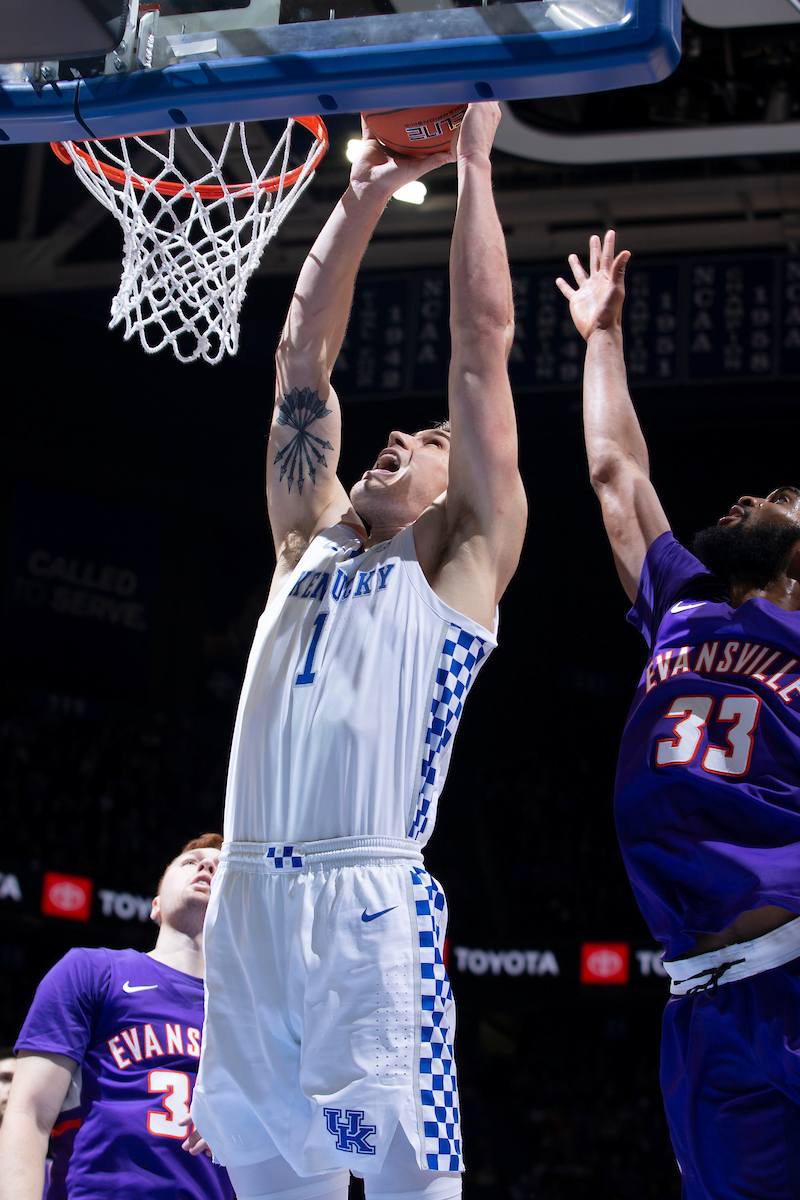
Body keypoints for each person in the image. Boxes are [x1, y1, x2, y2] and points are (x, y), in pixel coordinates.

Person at [189, 101, 527, 1200]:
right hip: (245, 908)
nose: (401, 438)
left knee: (402, 1187)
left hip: (365, 912)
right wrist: (365, 189)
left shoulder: (458, 565)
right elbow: (300, 363)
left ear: (457, 485)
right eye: (403, 433)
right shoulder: (307, 542)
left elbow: (480, 357)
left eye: (426, 444)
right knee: (264, 1187)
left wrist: (472, 165)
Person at [559, 231, 800, 1199]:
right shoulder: (682, 603)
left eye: (777, 502)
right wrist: (600, 338)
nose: (743, 499)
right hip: (701, 1001)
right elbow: (615, 472)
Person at [0, 834, 233, 1200]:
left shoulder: (250, 1015)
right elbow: (29, 1113)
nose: (205, 866)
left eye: (220, 869)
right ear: (155, 906)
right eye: (190, 862)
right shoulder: (91, 970)